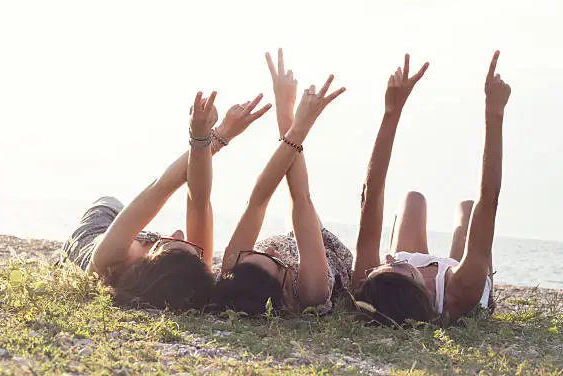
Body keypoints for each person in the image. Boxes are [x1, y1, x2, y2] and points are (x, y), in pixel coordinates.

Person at [60, 92, 271, 311]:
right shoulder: (192, 275)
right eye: (191, 248)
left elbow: (161, 188)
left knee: (109, 201)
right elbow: (198, 201)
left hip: (94, 228)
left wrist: (207, 136)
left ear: (148, 267)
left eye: (169, 244)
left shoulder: (108, 261)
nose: (180, 233)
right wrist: (214, 136)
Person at [352, 51, 511, 326]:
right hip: (460, 280)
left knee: (413, 200)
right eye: (395, 264)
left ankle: (414, 259)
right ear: (416, 287)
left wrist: (391, 112)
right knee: (470, 210)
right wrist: (494, 114)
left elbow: (370, 195)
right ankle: (489, 292)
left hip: (410, 279)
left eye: (382, 265)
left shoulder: (372, 284)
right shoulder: (460, 291)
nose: (387, 256)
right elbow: (490, 199)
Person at [215, 49, 352, 315]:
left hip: (297, 235)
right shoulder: (311, 292)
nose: (271, 250)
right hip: (324, 249)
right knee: (301, 202)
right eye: (275, 262)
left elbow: (258, 200)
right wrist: (294, 119)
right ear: (284, 296)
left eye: (257, 253)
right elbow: (300, 199)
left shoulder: (233, 270)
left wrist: (287, 110)